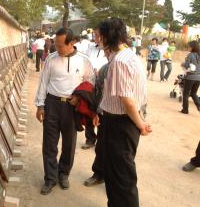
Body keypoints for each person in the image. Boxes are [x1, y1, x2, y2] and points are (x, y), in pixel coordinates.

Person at [95, 17, 152, 207]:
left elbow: (127, 101)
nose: (96, 39)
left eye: (97, 35)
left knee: (122, 178)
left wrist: (140, 124)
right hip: (122, 122)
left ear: (104, 37)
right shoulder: (129, 54)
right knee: (116, 173)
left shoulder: (119, 61)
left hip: (120, 124)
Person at [35, 28, 94, 195]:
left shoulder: (84, 61)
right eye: (56, 44)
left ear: (72, 43)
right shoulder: (51, 59)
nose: (57, 48)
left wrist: (79, 97)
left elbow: (90, 83)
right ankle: (50, 178)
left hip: (71, 107)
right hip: (52, 104)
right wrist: (40, 106)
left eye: (61, 45)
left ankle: (63, 174)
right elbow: (43, 83)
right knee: (49, 144)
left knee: (69, 143)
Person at [81, 28, 108, 150]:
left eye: (98, 35)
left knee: (102, 112)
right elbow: (85, 64)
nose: (96, 38)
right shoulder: (90, 48)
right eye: (95, 35)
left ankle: (102, 141)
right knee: (89, 111)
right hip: (91, 84)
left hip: (104, 86)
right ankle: (90, 138)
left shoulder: (109, 49)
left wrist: (101, 73)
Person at [180, 41, 200, 114]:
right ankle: (199, 105)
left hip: (190, 77)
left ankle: (185, 110)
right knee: (194, 93)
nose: (188, 48)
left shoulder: (190, 55)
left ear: (193, 47)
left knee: (186, 93)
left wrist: (183, 63)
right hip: (198, 78)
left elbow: (186, 66)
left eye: (189, 47)